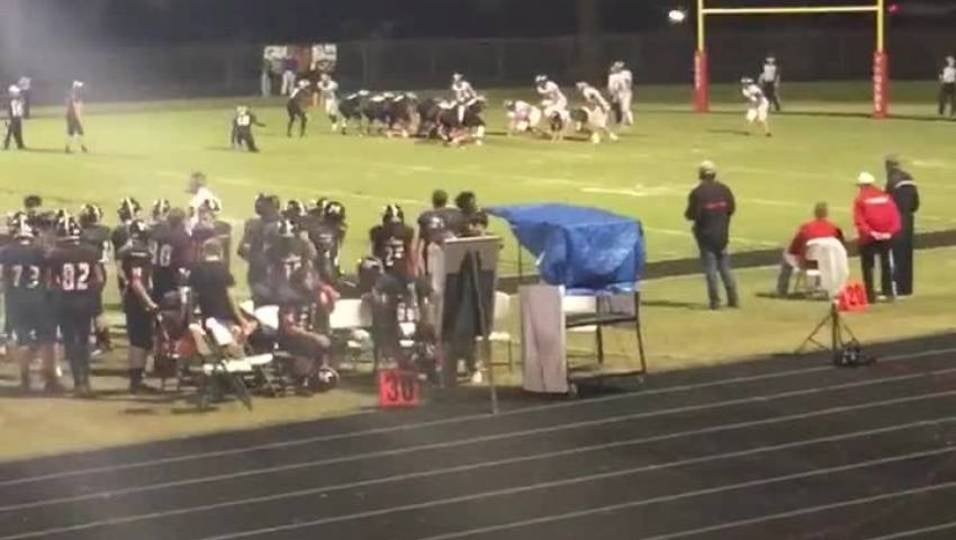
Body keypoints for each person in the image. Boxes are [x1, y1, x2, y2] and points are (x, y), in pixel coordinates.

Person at [0, 217, 60, 392]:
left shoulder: (5, 252)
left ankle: (25, 378)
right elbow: (50, 278)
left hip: (16, 301)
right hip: (40, 300)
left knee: (23, 340)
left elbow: (2, 279)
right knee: (48, 339)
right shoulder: (41, 251)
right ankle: (50, 379)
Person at [48, 216, 104, 397]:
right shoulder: (90, 251)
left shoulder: (55, 254)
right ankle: (86, 381)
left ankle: (78, 381)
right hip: (86, 301)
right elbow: (99, 279)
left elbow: (51, 283)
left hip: (65, 302)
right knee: (84, 340)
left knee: (70, 342)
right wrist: (97, 306)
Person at [685, 161, 739, 310]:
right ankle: (733, 299)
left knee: (710, 269)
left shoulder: (697, 192)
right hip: (722, 233)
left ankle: (715, 301)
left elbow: (691, 214)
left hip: (705, 235)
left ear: (701, 174)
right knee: (725, 267)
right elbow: (731, 209)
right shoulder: (724, 189)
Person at [118, 219, 159, 393]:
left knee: (141, 340)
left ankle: (137, 379)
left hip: (132, 299)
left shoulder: (126, 250)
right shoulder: (138, 253)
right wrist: (148, 302)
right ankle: (136, 382)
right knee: (139, 341)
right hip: (138, 300)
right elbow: (136, 281)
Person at [189, 240, 254, 343]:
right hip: (224, 313)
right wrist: (241, 319)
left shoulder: (196, 269)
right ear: (220, 252)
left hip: (206, 312)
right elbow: (230, 295)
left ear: (204, 252)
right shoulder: (223, 270)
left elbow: (192, 295)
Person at [776, 202, 844, 297]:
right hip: (828, 263)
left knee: (786, 256)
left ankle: (781, 290)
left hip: (807, 263)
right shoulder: (834, 228)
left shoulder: (806, 227)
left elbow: (794, 247)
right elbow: (840, 246)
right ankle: (821, 285)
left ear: (815, 213)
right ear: (826, 213)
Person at [853, 172, 901, 303]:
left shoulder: (860, 199)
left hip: (869, 238)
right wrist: (890, 232)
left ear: (861, 185)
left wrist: (871, 233)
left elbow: (859, 221)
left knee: (868, 267)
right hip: (886, 236)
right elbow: (895, 216)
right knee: (886, 264)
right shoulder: (885, 196)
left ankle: (870, 295)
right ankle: (888, 292)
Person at [78, 203, 113, 351]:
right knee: (96, 307)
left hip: (90, 271)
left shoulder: (84, 233)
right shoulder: (105, 231)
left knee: (92, 308)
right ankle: (102, 339)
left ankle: (102, 340)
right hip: (101, 270)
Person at [885, 156, 919, 297]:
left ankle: (897, 288)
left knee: (896, 255)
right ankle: (907, 288)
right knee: (907, 255)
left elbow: (887, 203)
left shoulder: (891, 181)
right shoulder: (909, 178)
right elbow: (915, 203)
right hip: (909, 220)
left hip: (896, 221)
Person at [238, 194, 282, 304]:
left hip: (270, 274)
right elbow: (242, 249)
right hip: (262, 273)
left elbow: (242, 249)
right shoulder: (253, 224)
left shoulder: (281, 225)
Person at [149, 207, 193, 303]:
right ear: (182, 221)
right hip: (172, 276)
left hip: (157, 274)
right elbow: (185, 261)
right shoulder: (182, 236)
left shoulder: (158, 233)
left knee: (157, 306)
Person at [417, 190, 463, 274]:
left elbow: (420, 240)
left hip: (430, 255)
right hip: (452, 253)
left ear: (433, 200)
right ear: (446, 200)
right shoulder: (456, 214)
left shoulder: (426, 216)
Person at [607, 61, 634, 126]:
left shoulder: (626, 73)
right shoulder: (614, 76)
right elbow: (612, 86)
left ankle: (628, 122)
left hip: (626, 92)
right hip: (619, 93)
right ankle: (625, 122)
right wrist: (613, 93)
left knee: (625, 108)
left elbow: (628, 82)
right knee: (622, 108)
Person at [65, 81, 88, 154]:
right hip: (73, 116)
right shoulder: (76, 95)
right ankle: (73, 147)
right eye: (79, 87)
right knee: (77, 132)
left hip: (70, 116)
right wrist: (79, 119)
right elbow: (76, 108)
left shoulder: (72, 94)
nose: (81, 88)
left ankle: (80, 146)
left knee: (74, 132)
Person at [4, 85, 26, 151]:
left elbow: (20, 107)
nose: (18, 93)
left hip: (17, 117)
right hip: (13, 118)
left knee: (15, 131)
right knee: (12, 131)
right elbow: (11, 110)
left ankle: (19, 145)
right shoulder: (11, 100)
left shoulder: (18, 99)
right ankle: (9, 144)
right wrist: (10, 119)